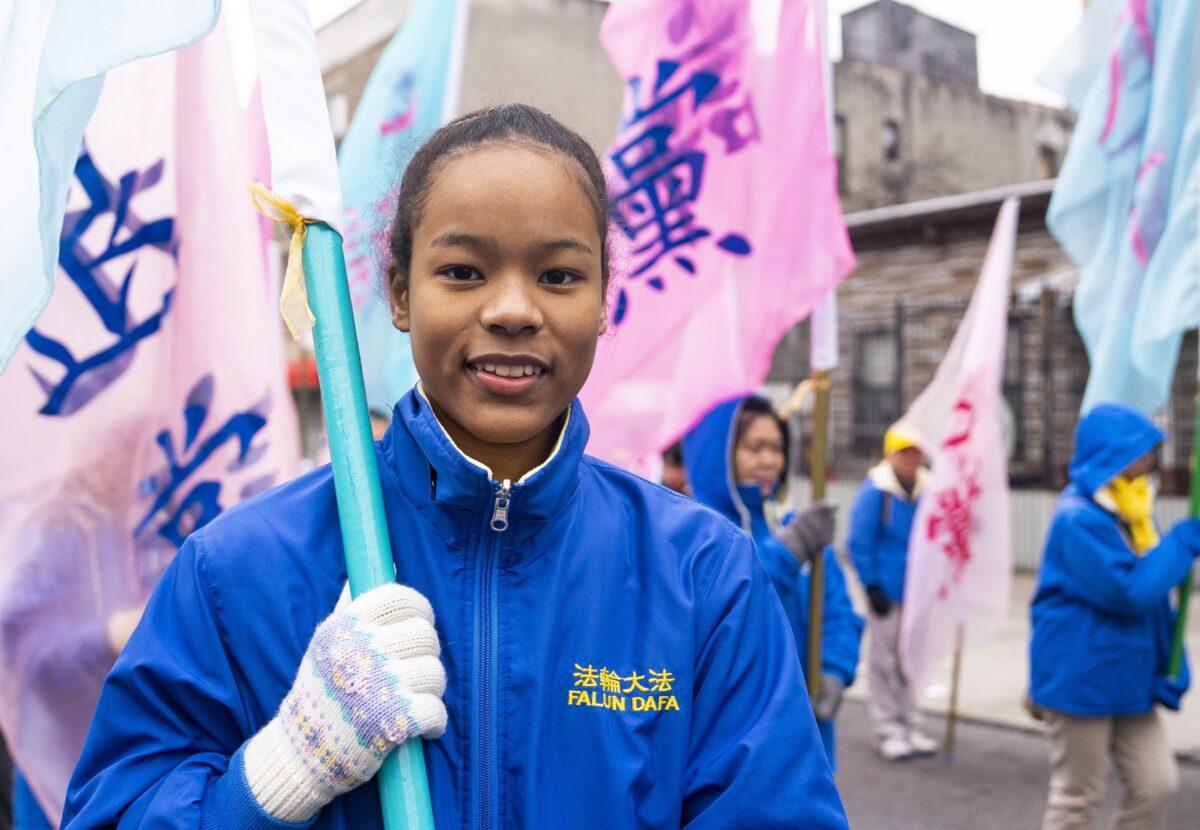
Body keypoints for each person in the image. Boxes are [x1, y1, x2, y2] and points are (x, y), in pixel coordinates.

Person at [62, 105, 847, 829]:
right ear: (400, 292)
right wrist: (275, 777)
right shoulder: (237, 571)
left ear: (605, 301)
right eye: (464, 272)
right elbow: (116, 806)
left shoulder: (705, 575)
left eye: (560, 275)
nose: (512, 308)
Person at [1030, 403, 1199, 830]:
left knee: (1157, 785)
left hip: (1128, 676)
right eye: (1139, 454)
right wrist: (1180, 543)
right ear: (1112, 456)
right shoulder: (1079, 518)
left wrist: (1170, 658)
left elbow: (1155, 600)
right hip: (1081, 677)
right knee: (1077, 798)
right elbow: (1130, 592)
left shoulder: (1132, 508)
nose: (1149, 463)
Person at [683, 395, 863, 768]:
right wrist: (788, 551)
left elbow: (838, 610)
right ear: (721, 454)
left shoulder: (797, 526)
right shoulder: (694, 533)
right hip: (731, 736)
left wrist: (836, 669)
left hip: (805, 730)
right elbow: (728, 607)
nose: (770, 461)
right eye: (755, 448)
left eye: (777, 448)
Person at [846, 424, 938, 761]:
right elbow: (859, 541)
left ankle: (912, 723)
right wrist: (870, 585)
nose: (911, 458)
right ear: (890, 454)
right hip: (887, 590)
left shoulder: (928, 488)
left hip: (919, 592)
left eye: (915, 451)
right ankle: (887, 728)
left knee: (912, 661)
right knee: (884, 661)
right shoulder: (876, 491)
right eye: (904, 451)